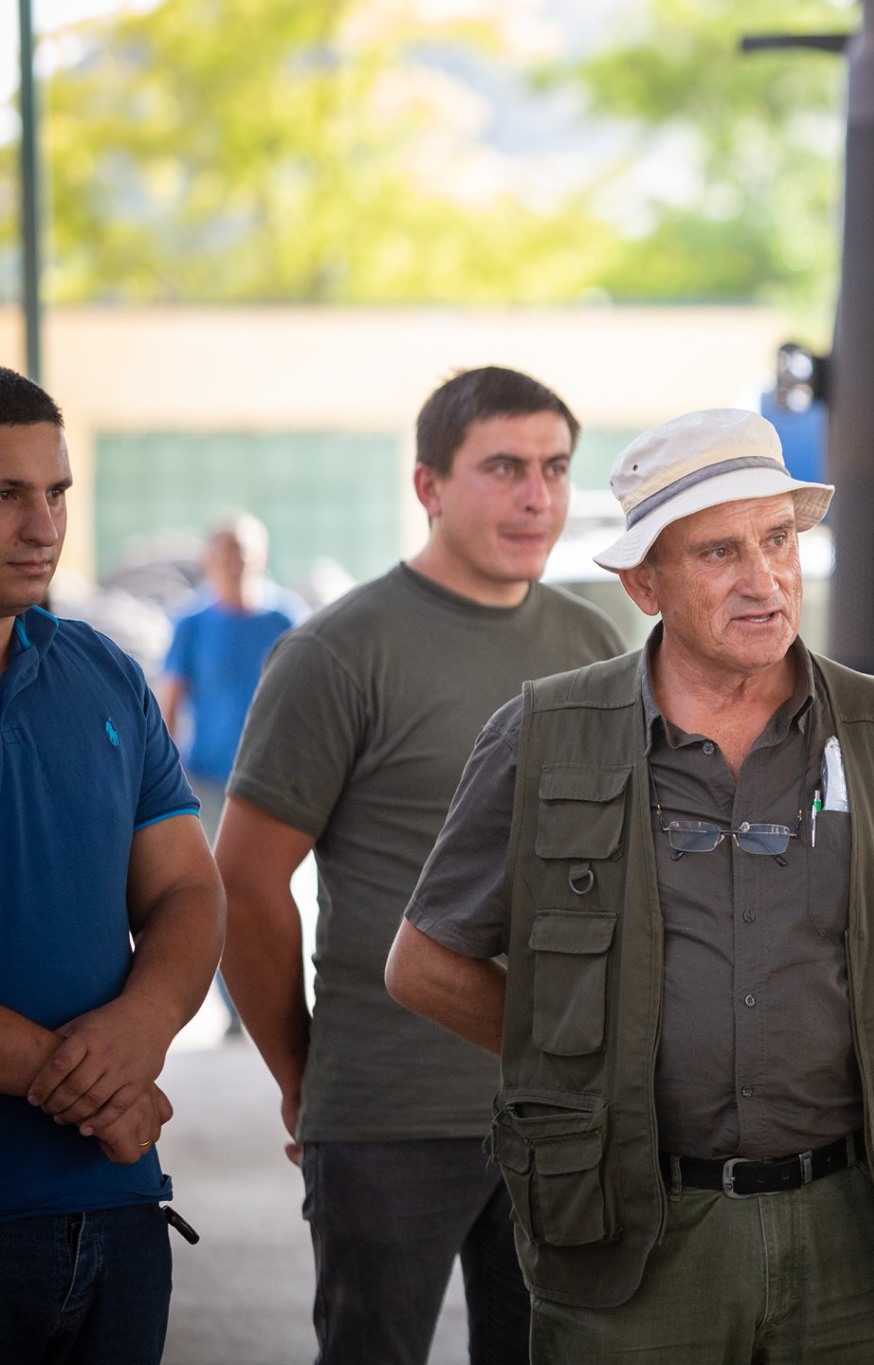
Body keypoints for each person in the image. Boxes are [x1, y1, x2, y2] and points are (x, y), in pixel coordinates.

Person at [386, 407, 874, 1364]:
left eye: (778, 539)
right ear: (644, 583)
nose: (763, 579)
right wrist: (583, 1061)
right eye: (719, 551)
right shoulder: (545, 736)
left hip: (862, 1233)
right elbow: (424, 966)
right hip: (631, 1237)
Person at [213, 366, 623, 1365]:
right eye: (504, 468)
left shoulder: (594, 641)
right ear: (427, 486)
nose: (537, 496)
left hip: (562, 1109)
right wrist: (302, 1073)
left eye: (555, 468)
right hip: (388, 1111)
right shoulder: (338, 651)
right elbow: (246, 884)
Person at [0, 367, 225, 1362]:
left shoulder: (101, 671)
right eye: (6, 494)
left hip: (119, 1209)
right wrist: (101, 1087)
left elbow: (185, 887)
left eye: (56, 492)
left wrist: (145, 1023)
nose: (41, 526)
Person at [158, 514, 304, 836]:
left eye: (243, 555)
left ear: (261, 558)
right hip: (208, 781)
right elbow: (170, 703)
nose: (235, 565)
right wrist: (166, 779)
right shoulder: (192, 624)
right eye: (226, 555)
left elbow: (307, 699)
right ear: (209, 562)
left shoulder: (286, 621)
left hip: (271, 781)